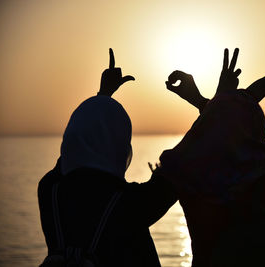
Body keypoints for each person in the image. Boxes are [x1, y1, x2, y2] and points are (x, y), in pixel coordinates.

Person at [161, 48, 265, 266]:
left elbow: (204, 145)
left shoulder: (194, 176)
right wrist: (250, 94)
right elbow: (236, 134)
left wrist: (218, 100)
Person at [38, 49, 177, 266]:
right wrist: (206, 102)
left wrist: (103, 94)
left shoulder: (49, 190)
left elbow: (75, 149)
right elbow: (190, 159)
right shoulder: (132, 204)